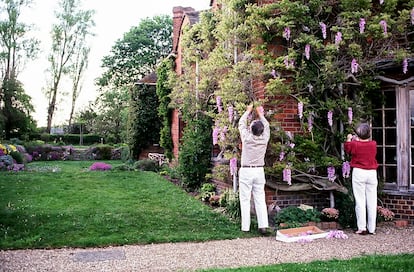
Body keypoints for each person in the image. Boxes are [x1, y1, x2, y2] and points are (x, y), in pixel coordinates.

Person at [238, 104, 270, 234]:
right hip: (259, 171)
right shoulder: (265, 139)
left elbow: (241, 124)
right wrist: (260, 113)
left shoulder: (247, 138)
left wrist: (248, 111)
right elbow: (267, 125)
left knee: (245, 199)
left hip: (246, 171)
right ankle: (263, 225)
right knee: (260, 198)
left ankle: (245, 227)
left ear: (250, 129)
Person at [344, 123, 378, 235]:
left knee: (360, 201)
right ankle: (372, 228)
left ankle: (362, 228)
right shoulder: (373, 144)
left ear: (357, 134)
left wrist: (349, 138)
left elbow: (347, 149)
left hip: (359, 172)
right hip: (372, 173)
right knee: (372, 201)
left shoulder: (354, 144)